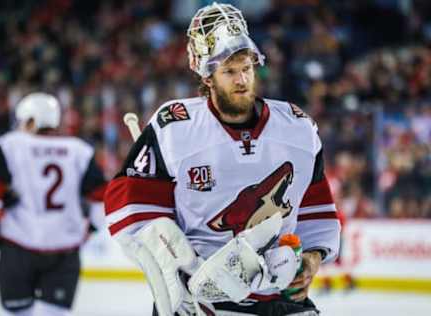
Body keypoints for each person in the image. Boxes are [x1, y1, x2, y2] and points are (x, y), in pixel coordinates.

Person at [105, 3, 340, 316]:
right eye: (229, 71)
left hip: (278, 297)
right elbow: (131, 208)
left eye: (247, 68)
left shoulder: (298, 128)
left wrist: (310, 259)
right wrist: (168, 262)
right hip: (200, 301)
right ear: (208, 76)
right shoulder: (174, 126)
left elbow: (315, 208)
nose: (241, 79)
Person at [0, 93, 107, 316]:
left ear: (31, 120)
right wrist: (91, 228)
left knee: (19, 312)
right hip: (65, 250)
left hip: (17, 247)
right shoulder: (79, 150)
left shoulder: (10, 145)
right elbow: (102, 195)